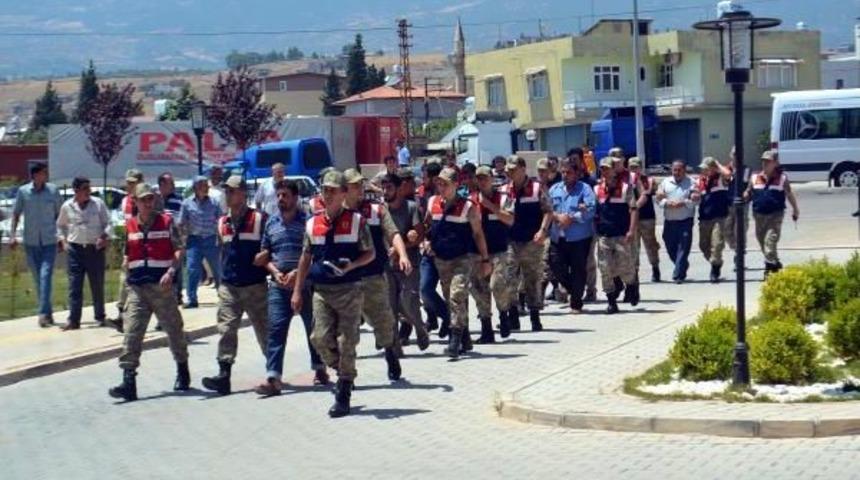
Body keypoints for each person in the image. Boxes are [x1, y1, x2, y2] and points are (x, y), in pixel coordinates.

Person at [291, 170, 375, 418]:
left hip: (350, 289)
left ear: (343, 193)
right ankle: (343, 369)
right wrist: (297, 290)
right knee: (319, 338)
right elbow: (305, 258)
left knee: (347, 341)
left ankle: (344, 392)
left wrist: (353, 265)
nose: (327, 194)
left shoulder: (357, 221)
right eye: (324, 190)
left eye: (332, 190)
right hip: (322, 292)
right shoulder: (312, 223)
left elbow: (369, 253)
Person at [108, 183, 189, 402]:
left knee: (174, 329)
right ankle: (128, 381)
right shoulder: (130, 225)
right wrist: (125, 263)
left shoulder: (166, 221)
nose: (147, 203)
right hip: (137, 287)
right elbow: (129, 252)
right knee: (132, 332)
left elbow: (179, 249)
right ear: (134, 201)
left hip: (160, 287)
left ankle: (182, 369)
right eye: (143, 199)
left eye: (150, 199)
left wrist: (171, 272)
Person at [254, 179, 328, 397]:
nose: (280, 199)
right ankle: (273, 377)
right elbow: (266, 253)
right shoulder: (271, 223)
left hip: (304, 285)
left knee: (313, 330)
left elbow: (316, 255)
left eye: (285, 195)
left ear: (295, 198)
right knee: (276, 330)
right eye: (278, 195)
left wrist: (298, 273)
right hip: (278, 285)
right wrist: (275, 272)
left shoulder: (308, 223)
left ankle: (319, 369)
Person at [201, 176, 269, 395]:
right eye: (226, 192)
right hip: (230, 285)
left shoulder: (260, 219)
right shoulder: (222, 222)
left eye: (232, 191)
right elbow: (222, 249)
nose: (227, 196)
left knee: (264, 331)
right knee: (226, 329)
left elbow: (272, 245)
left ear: (243, 193)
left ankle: (274, 370)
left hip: (255, 285)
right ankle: (224, 375)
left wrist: (266, 255)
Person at [343, 168, 412, 380]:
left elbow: (393, 234)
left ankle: (390, 352)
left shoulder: (376, 210)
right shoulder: (338, 213)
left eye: (360, 184)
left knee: (383, 323)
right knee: (346, 332)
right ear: (344, 190)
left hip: (373, 276)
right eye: (354, 186)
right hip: (346, 281)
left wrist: (402, 255)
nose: (360, 189)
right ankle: (345, 376)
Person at [425, 167, 491, 358]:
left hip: (462, 259)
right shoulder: (433, 203)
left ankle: (454, 341)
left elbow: (478, 234)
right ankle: (465, 337)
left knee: (457, 295)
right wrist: (425, 241)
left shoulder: (468, 207)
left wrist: (485, 259)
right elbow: (427, 225)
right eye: (439, 183)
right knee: (452, 300)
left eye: (445, 183)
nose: (441, 187)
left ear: (456, 185)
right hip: (441, 260)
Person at [502, 156, 552, 332]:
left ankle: (534, 317)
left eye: (513, 169)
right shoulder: (505, 190)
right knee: (508, 278)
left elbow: (547, 211)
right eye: (508, 170)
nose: (510, 173)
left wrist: (543, 231)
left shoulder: (537, 188)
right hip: (511, 241)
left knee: (532, 279)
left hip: (532, 241)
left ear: (523, 169)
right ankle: (513, 315)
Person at [383, 172, 430, 350]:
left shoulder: (410, 208)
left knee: (408, 301)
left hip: (409, 264)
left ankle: (420, 327)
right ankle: (395, 348)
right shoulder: (381, 210)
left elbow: (419, 235)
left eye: (389, 188)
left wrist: (404, 241)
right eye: (384, 188)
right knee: (390, 307)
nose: (386, 192)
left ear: (399, 189)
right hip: (388, 266)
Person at [11, 163, 62, 328]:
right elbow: (16, 213)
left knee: (45, 276)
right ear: (34, 175)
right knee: (38, 279)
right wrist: (12, 235)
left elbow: (60, 216)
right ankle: (48, 312)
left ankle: (42, 314)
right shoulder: (23, 192)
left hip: (49, 241)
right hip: (31, 242)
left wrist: (62, 237)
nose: (44, 176)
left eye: (45, 173)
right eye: (42, 174)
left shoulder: (53, 191)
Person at [56, 177, 110, 330]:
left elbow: (108, 224)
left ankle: (100, 316)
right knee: (74, 286)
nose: (89, 191)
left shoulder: (98, 204)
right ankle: (73, 320)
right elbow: (60, 225)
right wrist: (63, 240)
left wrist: (104, 237)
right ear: (76, 190)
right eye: (85, 188)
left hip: (95, 250)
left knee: (97, 284)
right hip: (75, 250)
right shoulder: (67, 206)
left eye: (89, 188)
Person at [469, 166, 515, 343]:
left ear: (491, 179)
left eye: (485, 178)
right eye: (479, 178)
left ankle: (504, 314)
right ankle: (486, 329)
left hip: (499, 251)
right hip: (477, 253)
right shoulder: (471, 200)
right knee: (480, 291)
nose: (482, 182)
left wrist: (491, 207)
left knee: (497, 285)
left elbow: (510, 219)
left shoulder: (503, 198)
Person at [548, 159, 596, 314]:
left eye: (568, 172)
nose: (565, 175)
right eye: (563, 172)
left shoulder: (585, 189)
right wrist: (557, 217)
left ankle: (576, 302)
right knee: (556, 266)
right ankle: (573, 290)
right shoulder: (555, 189)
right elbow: (546, 209)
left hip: (579, 238)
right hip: (557, 236)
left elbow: (590, 209)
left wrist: (572, 217)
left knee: (578, 269)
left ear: (577, 174)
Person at [594, 157, 640, 314]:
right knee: (605, 268)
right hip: (604, 235)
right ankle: (611, 301)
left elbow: (633, 209)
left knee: (625, 267)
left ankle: (632, 284)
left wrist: (631, 230)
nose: (604, 171)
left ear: (614, 170)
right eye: (602, 168)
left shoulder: (626, 188)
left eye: (607, 168)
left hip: (621, 234)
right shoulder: (597, 189)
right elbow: (595, 211)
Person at [745, 150, 800, 277]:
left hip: (775, 215)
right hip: (758, 215)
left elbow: (789, 194)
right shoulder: (754, 177)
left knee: (770, 242)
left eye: (768, 161)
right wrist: (745, 195)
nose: (765, 163)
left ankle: (769, 271)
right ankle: (774, 263)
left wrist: (795, 209)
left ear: (775, 163)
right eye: (763, 161)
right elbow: (748, 191)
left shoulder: (782, 178)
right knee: (762, 242)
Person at [417, 161, 451, 336]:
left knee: (452, 293)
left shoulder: (455, 199)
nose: (422, 180)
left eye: (425, 177)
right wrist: (423, 240)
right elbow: (425, 223)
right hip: (429, 251)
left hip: (450, 254)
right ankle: (445, 315)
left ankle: (453, 325)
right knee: (425, 288)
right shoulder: (426, 197)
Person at [179, 176, 223, 308]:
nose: (207, 188)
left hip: (210, 239)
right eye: (204, 185)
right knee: (192, 269)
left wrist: (221, 238)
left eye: (207, 185)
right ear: (196, 188)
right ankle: (192, 299)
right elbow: (181, 222)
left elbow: (221, 220)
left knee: (217, 269)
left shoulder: (214, 202)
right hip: (194, 240)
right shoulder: (187, 203)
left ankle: (224, 297)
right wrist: (183, 238)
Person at [112, 168, 145, 331]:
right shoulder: (126, 202)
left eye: (134, 183)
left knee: (142, 285)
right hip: (130, 245)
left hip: (145, 247)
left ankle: (161, 317)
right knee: (125, 280)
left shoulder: (147, 201)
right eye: (128, 183)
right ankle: (121, 315)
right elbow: (127, 228)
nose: (130, 186)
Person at [657, 160, 700, 284]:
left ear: (684, 170)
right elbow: (659, 199)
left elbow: (696, 201)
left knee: (683, 247)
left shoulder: (692, 183)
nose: (676, 172)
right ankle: (682, 265)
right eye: (674, 170)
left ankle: (678, 274)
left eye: (679, 170)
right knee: (669, 244)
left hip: (685, 221)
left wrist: (683, 203)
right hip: (669, 221)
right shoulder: (665, 182)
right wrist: (667, 203)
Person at [568, 148, 599, 301]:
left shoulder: (589, 182)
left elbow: (594, 205)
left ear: (581, 160)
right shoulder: (565, 181)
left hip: (587, 226)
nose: (573, 162)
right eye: (570, 159)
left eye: (575, 159)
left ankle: (591, 290)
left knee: (588, 260)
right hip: (569, 229)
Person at [697, 157, 733, 283]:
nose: (703, 170)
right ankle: (716, 263)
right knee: (703, 245)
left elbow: (728, 174)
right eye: (703, 168)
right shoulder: (701, 180)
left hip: (720, 217)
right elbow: (696, 195)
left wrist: (717, 163)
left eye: (706, 168)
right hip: (704, 218)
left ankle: (714, 270)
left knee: (717, 245)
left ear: (713, 168)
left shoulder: (720, 178)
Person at [627, 158, 661, 283]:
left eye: (636, 167)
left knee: (651, 245)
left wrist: (634, 207)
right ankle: (635, 272)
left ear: (641, 167)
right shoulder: (626, 181)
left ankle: (655, 267)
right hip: (632, 219)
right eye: (631, 167)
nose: (634, 170)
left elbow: (646, 195)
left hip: (647, 217)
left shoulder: (648, 181)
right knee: (633, 247)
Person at [158, 172, 184, 304]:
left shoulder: (179, 200)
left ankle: (177, 295)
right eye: (171, 183)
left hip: (174, 237)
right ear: (162, 185)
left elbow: (182, 217)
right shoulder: (155, 199)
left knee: (176, 265)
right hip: (159, 238)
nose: (173, 186)